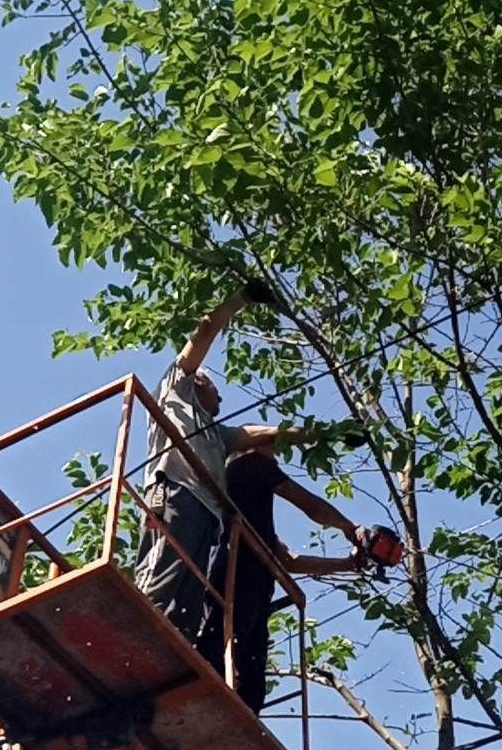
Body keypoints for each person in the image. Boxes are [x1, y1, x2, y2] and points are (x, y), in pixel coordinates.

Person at [135, 281, 297, 642]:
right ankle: (133, 634)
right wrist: (242, 298)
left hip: (209, 516)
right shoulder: (175, 391)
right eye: (214, 386)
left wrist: (321, 434)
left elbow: (260, 433)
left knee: (188, 600)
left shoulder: (217, 434)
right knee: (162, 577)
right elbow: (206, 331)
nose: (220, 393)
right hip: (175, 494)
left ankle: (174, 654)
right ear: (197, 384)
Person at [198, 448, 364, 716]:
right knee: (223, 645)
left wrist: (348, 565)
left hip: (254, 586)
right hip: (238, 574)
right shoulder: (250, 464)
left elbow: (289, 561)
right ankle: (209, 698)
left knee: (251, 675)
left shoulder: (255, 519)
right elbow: (308, 503)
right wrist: (350, 527)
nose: (275, 455)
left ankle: (244, 718)